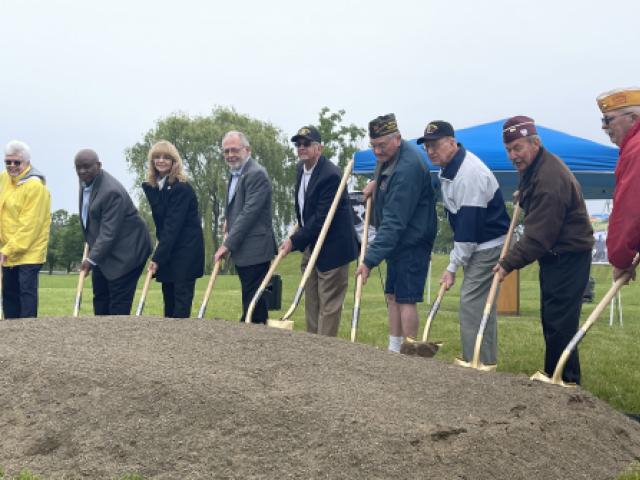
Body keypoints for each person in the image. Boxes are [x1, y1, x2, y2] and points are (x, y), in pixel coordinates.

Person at [493, 116, 593, 384]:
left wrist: (507, 264)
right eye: (509, 150)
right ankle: (556, 375)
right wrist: (524, 195)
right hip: (557, 256)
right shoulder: (538, 168)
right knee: (553, 320)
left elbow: (539, 236)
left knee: (560, 323)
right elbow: (538, 204)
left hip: (568, 257)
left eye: (518, 148)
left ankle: (565, 381)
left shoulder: (549, 177)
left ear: (535, 143)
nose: (513, 155)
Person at [418, 121, 510, 365]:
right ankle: (484, 362)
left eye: (435, 145)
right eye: (427, 146)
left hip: (488, 246)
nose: (430, 151)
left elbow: (468, 233)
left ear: (451, 142)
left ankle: (475, 365)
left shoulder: (469, 174)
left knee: (471, 304)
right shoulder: (448, 169)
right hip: (479, 243)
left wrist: (451, 267)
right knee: (480, 308)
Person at [355, 114, 437, 352]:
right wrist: (374, 182)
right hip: (396, 242)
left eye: (382, 145)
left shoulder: (408, 169)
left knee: (406, 298)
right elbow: (383, 172)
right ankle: (394, 347)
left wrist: (369, 260)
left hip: (412, 240)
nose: (377, 151)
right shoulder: (388, 156)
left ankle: (409, 352)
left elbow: (394, 222)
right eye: (373, 146)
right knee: (392, 294)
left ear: (398, 139)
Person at [280, 126, 358, 336]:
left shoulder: (331, 175)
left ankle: (326, 350)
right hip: (312, 244)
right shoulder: (300, 169)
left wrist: (293, 241)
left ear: (319, 148)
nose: (302, 148)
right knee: (311, 300)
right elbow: (305, 211)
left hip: (333, 248)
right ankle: (311, 346)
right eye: (299, 144)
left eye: (307, 144)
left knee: (328, 305)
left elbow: (321, 220)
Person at [75, 149, 152, 315]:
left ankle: (119, 339)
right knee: (101, 298)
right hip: (105, 253)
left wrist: (91, 260)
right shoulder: (85, 183)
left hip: (128, 253)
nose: (82, 171)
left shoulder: (111, 192)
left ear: (98, 165)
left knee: (117, 306)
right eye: (78, 167)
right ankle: (101, 339)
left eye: (87, 167)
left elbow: (108, 233)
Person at [214, 131, 276, 324]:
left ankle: (254, 338)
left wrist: (227, 245)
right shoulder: (236, 173)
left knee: (254, 304)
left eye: (234, 150)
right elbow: (237, 206)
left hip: (256, 249)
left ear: (247, 150)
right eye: (226, 151)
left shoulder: (256, 173)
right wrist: (227, 221)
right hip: (244, 249)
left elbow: (249, 213)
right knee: (249, 298)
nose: (230, 155)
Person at [142, 141, 204, 318]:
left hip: (185, 252)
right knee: (168, 301)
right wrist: (161, 255)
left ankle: (182, 341)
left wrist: (157, 258)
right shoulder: (157, 187)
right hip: (169, 251)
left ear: (174, 161)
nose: (161, 161)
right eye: (157, 157)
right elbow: (162, 227)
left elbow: (172, 226)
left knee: (180, 303)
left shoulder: (181, 188)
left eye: (166, 157)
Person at [0, 140, 51, 319]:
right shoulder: (4, 179)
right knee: (8, 296)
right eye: (8, 162)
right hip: (8, 252)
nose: (12, 166)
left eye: (17, 162)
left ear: (27, 163)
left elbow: (30, 226)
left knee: (25, 297)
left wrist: (6, 250)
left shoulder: (35, 186)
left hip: (29, 253)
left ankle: (30, 341)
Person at [596, 87, 640, 280]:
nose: (604, 127)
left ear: (633, 118)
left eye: (608, 120)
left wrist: (620, 259)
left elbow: (629, 209)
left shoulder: (636, 150)